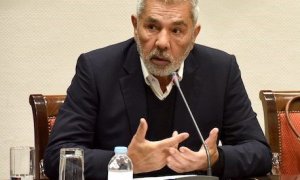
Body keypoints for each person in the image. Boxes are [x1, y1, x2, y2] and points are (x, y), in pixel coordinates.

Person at [44, 0, 272, 179]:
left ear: (194, 34)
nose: (162, 42)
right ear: (135, 26)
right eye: (152, 27)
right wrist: (125, 161)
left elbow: (260, 153)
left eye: (176, 31)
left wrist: (215, 159)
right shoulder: (96, 69)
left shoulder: (221, 70)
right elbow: (58, 156)